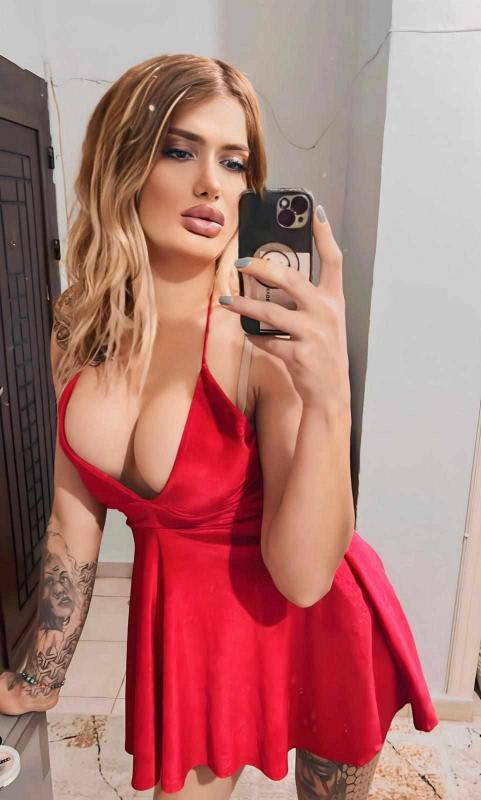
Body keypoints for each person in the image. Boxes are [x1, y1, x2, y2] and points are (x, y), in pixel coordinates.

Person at [0, 53, 439, 799]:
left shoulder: (259, 340)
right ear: (122, 162)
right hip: (193, 627)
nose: (211, 183)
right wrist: (40, 678)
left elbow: (303, 578)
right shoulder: (78, 322)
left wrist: (330, 395)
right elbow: (71, 522)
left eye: (233, 162)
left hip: (316, 609)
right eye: (180, 151)